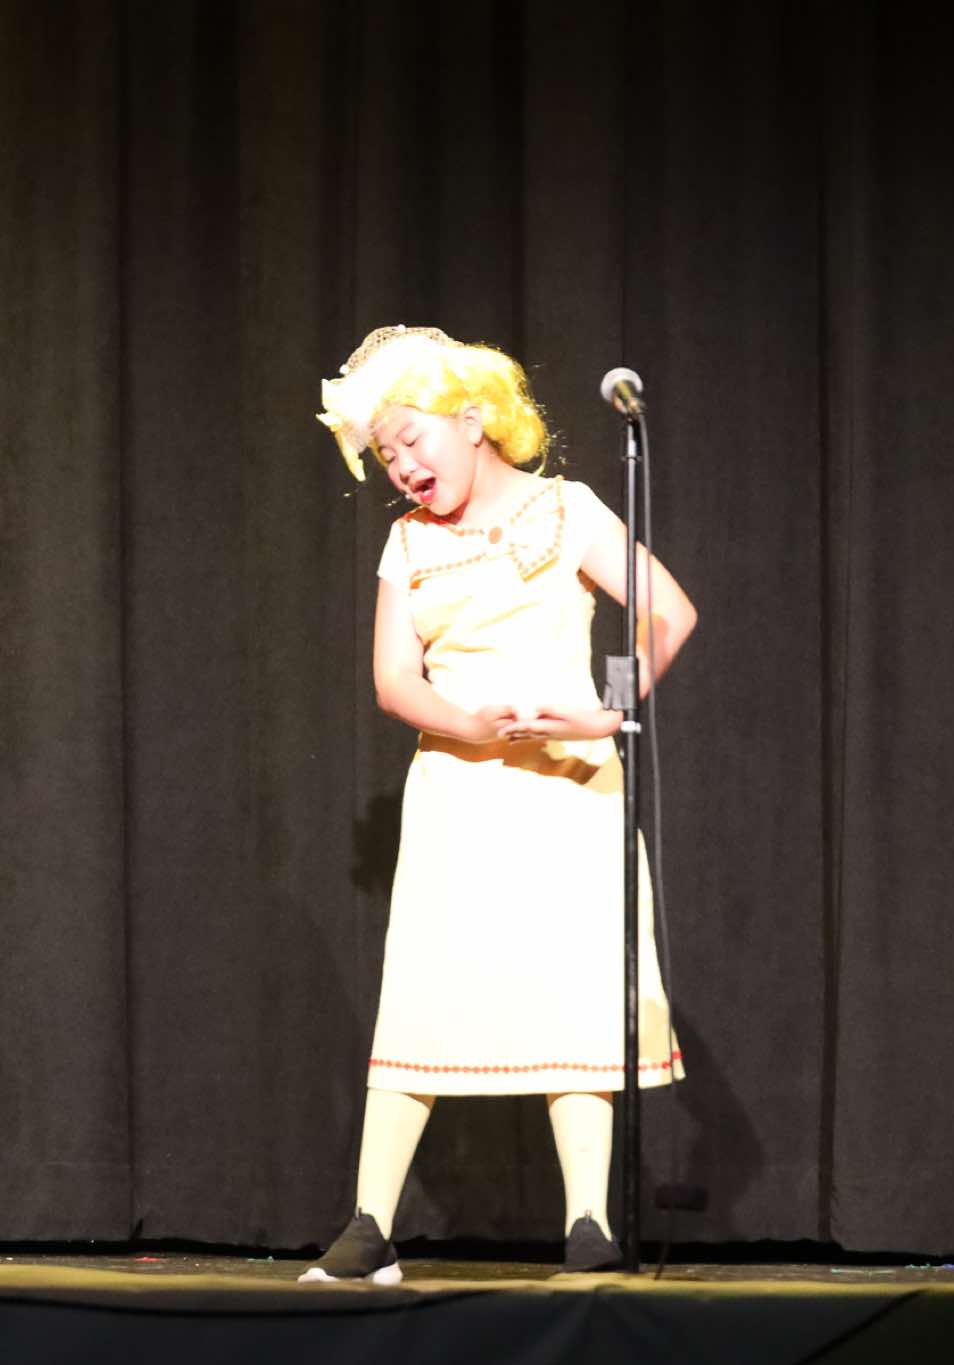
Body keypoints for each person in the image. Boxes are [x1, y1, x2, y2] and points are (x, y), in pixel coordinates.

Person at [300, 326, 697, 1283]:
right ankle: (370, 1224)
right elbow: (395, 678)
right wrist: (469, 724)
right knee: (422, 993)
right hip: (459, 789)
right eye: (385, 455)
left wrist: (604, 711)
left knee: (576, 993)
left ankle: (589, 1222)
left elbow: (666, 611)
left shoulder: (568, 509)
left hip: (569, 789)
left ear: (473, 419)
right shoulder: (407, 542)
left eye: (411, 440)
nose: (401, 466)